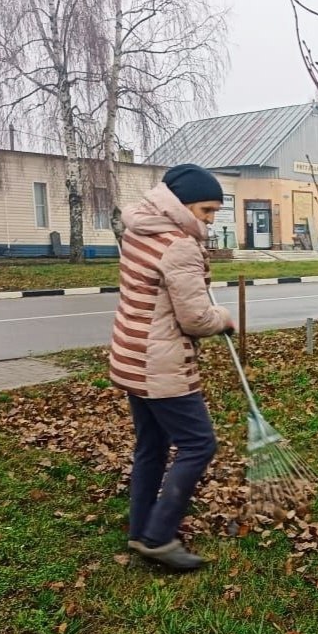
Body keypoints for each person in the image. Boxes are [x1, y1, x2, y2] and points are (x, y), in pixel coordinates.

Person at [109, 163, 235, 571]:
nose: (211, 220)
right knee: (199, 444)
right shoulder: (178, 244)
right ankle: (159, 537)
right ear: (181, 206)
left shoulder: (138, 229)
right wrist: (225, 319)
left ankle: (140, 527)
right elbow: (195, 319)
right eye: (206, 211)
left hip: (131, 358)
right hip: (160, 364)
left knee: (153, 446)